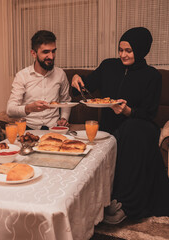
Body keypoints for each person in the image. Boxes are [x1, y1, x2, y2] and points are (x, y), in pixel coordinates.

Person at [71, 27, 169, 224]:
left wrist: (127, 112)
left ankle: (125, 203)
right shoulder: (108, 66)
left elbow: (149, 114)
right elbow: (82, 91)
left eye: (129, 51)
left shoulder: (152, 76)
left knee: (133, 129)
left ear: (141, 50)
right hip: (111, 128)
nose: (123, 55)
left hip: (141, 128)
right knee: (117, 134)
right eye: (120, 49)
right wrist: (76, 80)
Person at [6, 30, 71, 130]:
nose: (51, 56)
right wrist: (29, 108)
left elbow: (65, 101)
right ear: (33, 53)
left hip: (54, 128)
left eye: (53, 51)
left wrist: (63, 118)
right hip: (28, 128)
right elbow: (10, 110)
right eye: (46, 52)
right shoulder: (22, 76)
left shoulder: (60, 74)